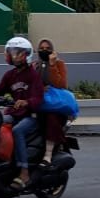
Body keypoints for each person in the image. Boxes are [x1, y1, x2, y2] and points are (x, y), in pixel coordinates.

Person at [0, 36, 43, 189]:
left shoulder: (33, 75)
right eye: (12, 52)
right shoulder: (10, 75)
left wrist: (26, 102)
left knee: (18, 131)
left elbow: (38, 98)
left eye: (18, 53)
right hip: (15, 113)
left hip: (31, 116)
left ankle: (24, 173)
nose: (15, 56)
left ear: (27, 54)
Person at [34, 38, 70, 166]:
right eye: (41, 48)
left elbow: (61, 84)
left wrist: (53, 64)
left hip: (55, 104)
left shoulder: (59, 64)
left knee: (51, 118)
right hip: (38, 103)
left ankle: (48, 154)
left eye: (47, 48)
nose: (44, 50)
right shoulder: (35, 65)